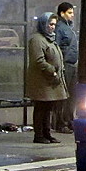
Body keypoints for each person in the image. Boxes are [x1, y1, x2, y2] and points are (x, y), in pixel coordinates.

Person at [26, 13, 68, 144]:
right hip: (42, 81)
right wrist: (52, 71)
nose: (52, 27)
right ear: (43, 24)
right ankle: (39, 135)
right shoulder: (37, 40)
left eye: (54, 24)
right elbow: (38, 60)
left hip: (50, 81)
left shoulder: (50, 39)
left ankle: (47, 133)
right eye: (50, 24)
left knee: (48, 108)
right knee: (41, 108)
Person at [54, 2, 78, 134]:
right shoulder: (60, 28)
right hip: (65, 65)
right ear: (62, 13)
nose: (72, 15)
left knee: (72, 95)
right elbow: (56, 46)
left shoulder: (69, 28)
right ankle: (61, 122)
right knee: (64, 96)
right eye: (69, 12)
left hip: (72, 64)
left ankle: (69, 120)